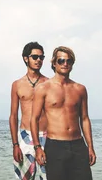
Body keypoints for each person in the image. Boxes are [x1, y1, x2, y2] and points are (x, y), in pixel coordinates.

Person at [31, 46, 95, 180]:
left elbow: (84, 119)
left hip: (78, 145)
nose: (65, 64)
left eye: (69, 61)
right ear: (54, 63)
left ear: (72, 63)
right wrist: (37, 147)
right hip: (55, 145)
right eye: (61, 60)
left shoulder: (80, 89)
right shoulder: (43, 88)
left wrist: (90, 147)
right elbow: (34, 119)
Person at [9, 42, 49, 180]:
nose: (39, 60)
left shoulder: (49, 83)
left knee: (48, 175)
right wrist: (15, 144)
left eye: (41, 57)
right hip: (25, 135)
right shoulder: (17, 85)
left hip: (46, 134)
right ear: (26, 58)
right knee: (24, 177)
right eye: (35, 57)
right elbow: (13, 116)